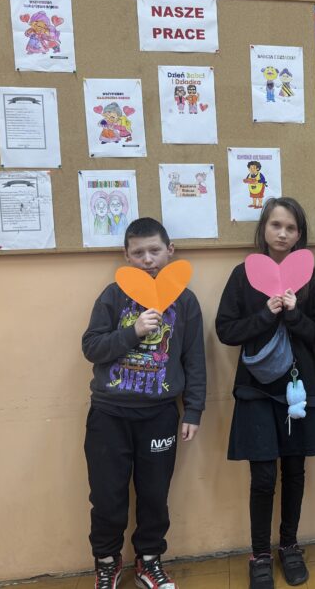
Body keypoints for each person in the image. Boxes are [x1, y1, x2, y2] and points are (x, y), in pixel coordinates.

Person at [81, 217, 207, 589]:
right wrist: (133, 331)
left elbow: (194, 360)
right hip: (109, 414)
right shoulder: (113, 296)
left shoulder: (185, 301)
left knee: (154, 494)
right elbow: (91, 347)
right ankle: (107, 562)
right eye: (138, 253)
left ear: (170, 251)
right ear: (126, 256)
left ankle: (149, 561)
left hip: (160, 415)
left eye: (155, 250)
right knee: (107, 495)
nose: (148, 259)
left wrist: (194, 409)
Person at [215, 198, 315, 589]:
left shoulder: (310, 278)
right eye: (276, 225)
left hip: (299, 391)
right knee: (263, 476)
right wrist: (266, 313)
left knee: (295, 471)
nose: (283, 233)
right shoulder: (242, 275)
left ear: (300, 235)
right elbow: (226, 331)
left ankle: (290, 546)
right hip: (256, 391)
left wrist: (294, 314)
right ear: (263, 228)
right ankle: (260, 553)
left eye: (291, 228)